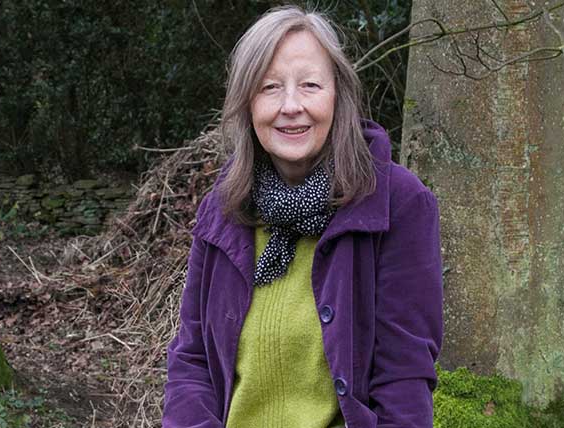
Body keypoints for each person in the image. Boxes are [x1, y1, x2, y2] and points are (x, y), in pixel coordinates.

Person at [163, 5, 442, 428]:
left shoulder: (397, 203)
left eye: (310, 85)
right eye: (269, 87)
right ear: (246, 103)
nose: (290, 105)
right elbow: (192, 359)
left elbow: (404, 378)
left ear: (338, 96)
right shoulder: (224, 207)